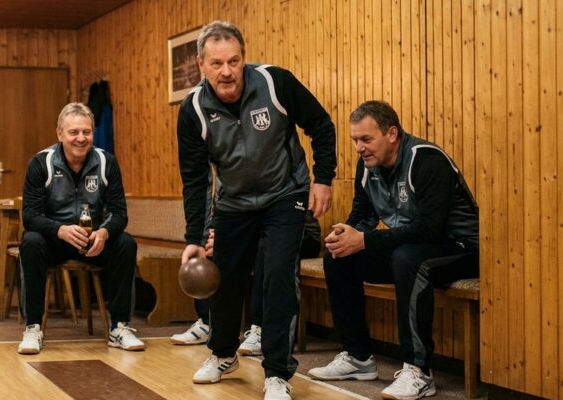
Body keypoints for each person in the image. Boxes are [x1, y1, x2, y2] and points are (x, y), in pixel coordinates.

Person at [177, 20, 336, 400]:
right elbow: (196, 181)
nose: (227, 71)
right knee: (227, 279)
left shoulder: (275, 82)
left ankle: (277, 373)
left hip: (285, 194)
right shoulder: (193, 110)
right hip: (233, 203)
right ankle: (222, 353)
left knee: (279, 275)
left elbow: (321, 125)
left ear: (243, 58)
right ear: (201, 64)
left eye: (233, 61)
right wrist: (195, 239)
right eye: (216, 64)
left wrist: (323, 179)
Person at [308, 100, 478, 400]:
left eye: (366, 139)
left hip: (462, 247)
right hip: (412, 247)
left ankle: (419, 370)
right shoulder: (367, 166)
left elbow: (430, 229)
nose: (359, 147)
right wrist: (346, 234)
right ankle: (358, 357)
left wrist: (365, 240)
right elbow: (363, 216)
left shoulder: (426, 160)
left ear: (392, 134)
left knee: (409, 259)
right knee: (337, 258)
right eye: (355, 140)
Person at [17, 102, 145, 355]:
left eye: (86, 132)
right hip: (55, 240)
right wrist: (59, 230)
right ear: (60, 134)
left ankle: (119, 327)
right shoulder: (40, 163)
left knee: (125, 243)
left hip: (92, 242)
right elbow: (30, 216)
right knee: (30, 241)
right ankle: (32, 327)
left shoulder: (106, 162)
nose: (80, 138)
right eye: (74, 132)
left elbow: (120, 213)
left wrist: (105, 232)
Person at [172, 212, 322, 356]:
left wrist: (230, 236)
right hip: (253, 229)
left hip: (299, 232)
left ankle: (259, 328)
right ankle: (209, 324)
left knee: (263, 250)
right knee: (215, 248)